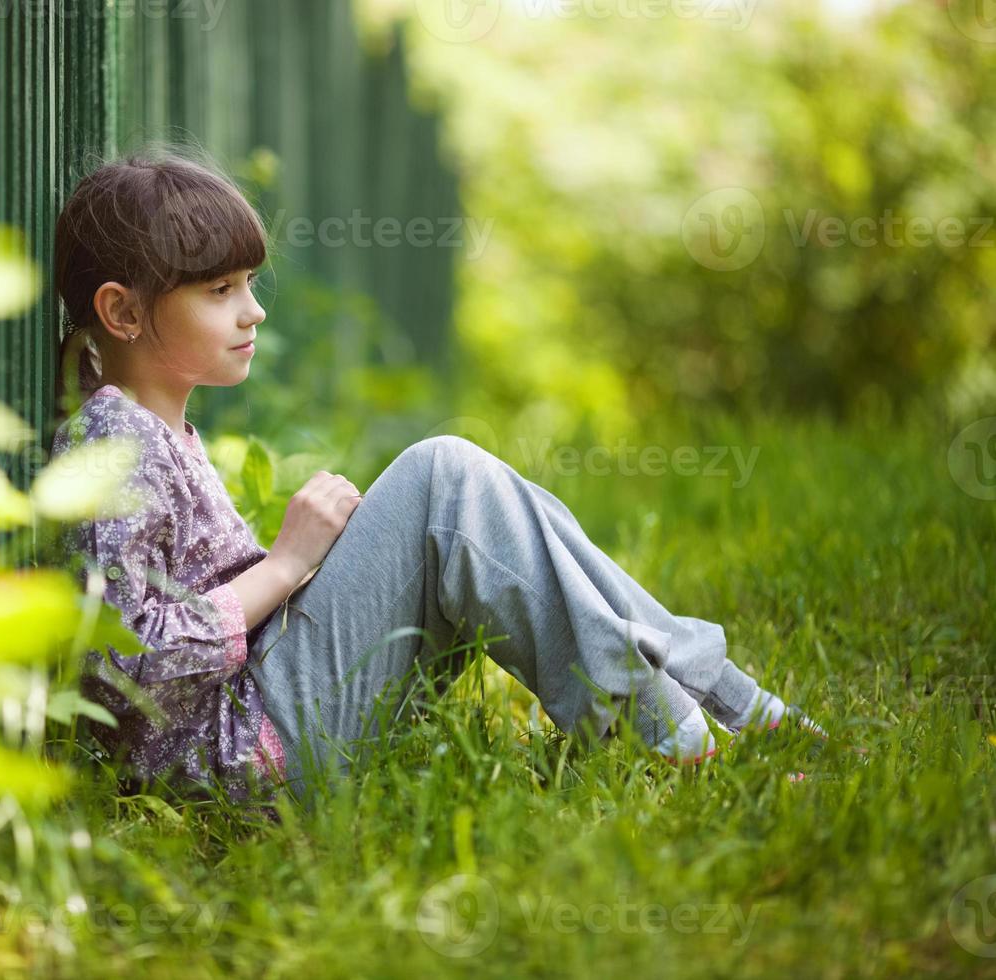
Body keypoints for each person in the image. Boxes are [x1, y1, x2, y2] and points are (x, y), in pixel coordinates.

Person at [47, 146, 824, 807]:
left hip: (261, 723)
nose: (252, 311)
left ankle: (715, 707)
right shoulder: (114, 443)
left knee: (489, 505)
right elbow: (125, 665)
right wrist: (287, 566)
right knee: (443, 475)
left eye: (249, 283)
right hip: (235, 759)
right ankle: (688, 736)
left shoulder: (153, 431)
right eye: (220, 291)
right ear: (123, 313)